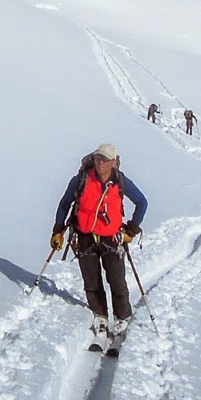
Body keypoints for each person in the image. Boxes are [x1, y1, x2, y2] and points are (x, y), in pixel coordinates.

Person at [52, 143, 147, 347]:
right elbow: (64, 204)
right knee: (91, 282)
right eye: (97, 159)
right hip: (84, 237)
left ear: (113, 162)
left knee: (117, 281)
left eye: (104, 160)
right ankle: (100, 315)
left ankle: (122, 318)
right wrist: (58, 230)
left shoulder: (120, 181)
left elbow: (142, 202)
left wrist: (131, 230)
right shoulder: (82, 180)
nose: (100, 163)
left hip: (112, 239)